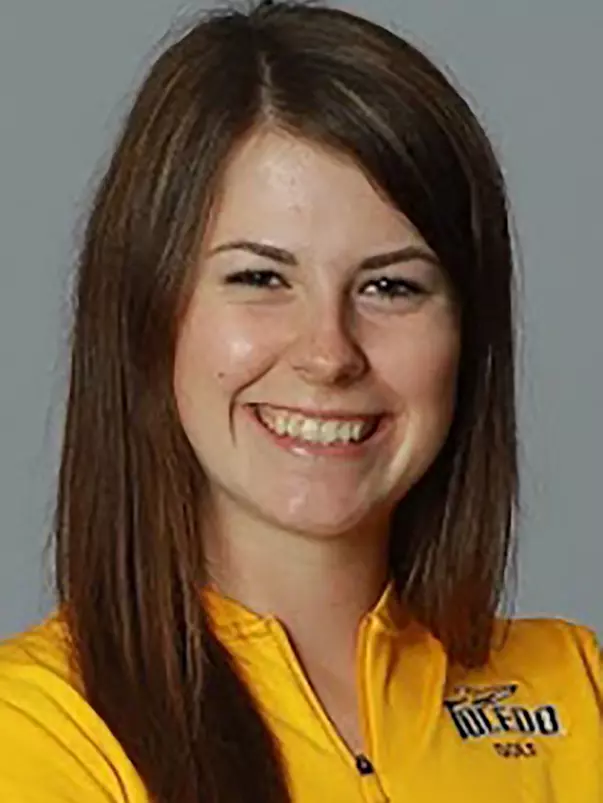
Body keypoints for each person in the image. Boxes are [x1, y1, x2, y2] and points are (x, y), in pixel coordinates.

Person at [0, 1, 600, 801]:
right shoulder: (37, 729)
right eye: (259, 277)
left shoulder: (575, 691)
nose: (328, 353)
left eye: (391, 286)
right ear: (148, 315)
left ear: (469, 331)